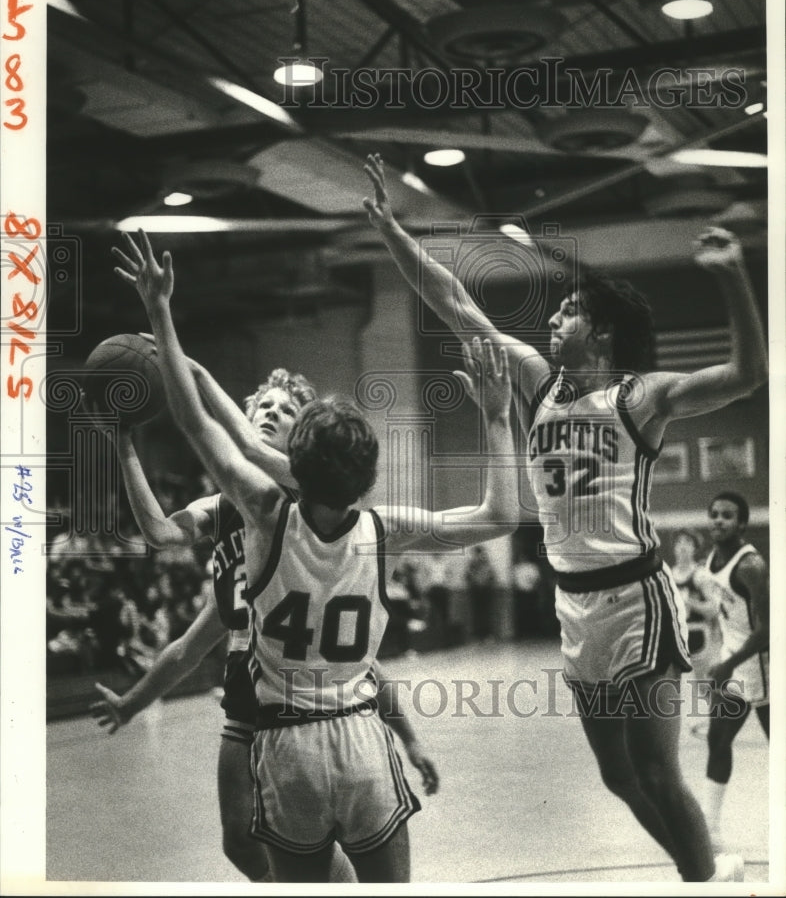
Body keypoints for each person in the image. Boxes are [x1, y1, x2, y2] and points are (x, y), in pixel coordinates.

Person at [363, 152, 768, 883]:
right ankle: (707, 864)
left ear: (602, 332)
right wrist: (393, 233)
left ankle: (702, 878)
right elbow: (457, 302)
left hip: (637, 598)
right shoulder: (537, 382)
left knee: (658, 770)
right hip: (573, 602)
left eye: (569, 310)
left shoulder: (640, 399)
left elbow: (746, 376)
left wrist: (735, 276)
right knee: (618, 778)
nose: (553, 318)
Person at [112, 229, 518, 883]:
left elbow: (207, 432)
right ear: (364, 477)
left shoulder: (263, 519)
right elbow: (499, 515)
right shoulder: (388, 527)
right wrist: (497, 417)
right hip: (357, 732)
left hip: (284, 740)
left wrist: (163, 316)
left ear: (296, 457)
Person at [89, 369, 439, 883]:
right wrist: (125, 446)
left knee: (309, 839)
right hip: (249, 694)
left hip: (311, 696)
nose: (271, 412)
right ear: (245, 422)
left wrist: (409, 737)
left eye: (285, 409)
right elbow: (168, 556)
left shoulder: (310, 511)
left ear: (300, 443)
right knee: (239, 843)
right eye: (263, 406)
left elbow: (361, 661)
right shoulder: (227, 509)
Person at [702, 492, 769, 850]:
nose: (718, 520)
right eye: (714, 514)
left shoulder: (750, 566)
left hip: (763, 662)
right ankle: (710, 830)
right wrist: (722, 658)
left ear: (742, 523)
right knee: (718, 739)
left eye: (727, 516)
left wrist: (727, 665)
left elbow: (767, 630)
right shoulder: (713, 559)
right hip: (735, 657)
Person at [669, 528, 721, 736]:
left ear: (694, 548)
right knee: (667, 686)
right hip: (674, 635)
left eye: (687, 543)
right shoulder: (667, 574)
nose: (682, 546)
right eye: (678, 542)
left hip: (698, 634)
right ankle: (667, 732)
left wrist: (689, 602)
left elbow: (714, 609)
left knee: (705, 685)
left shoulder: (700, 576)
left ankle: (719, 722)